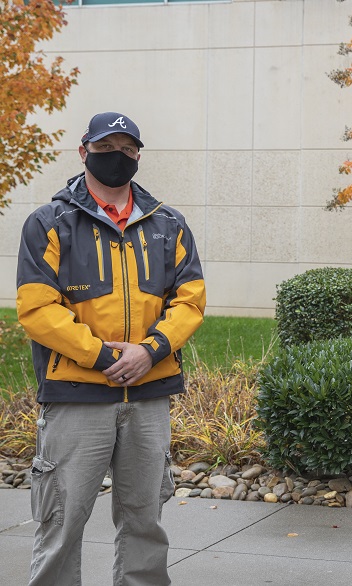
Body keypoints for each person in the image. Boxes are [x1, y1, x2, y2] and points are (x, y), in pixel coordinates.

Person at [16, 111, 206, 585]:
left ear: (138, 156)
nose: (116, 158)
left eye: (126, 149)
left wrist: (150, 350)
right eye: (105, 148)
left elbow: (190, 300)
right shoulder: (49, 223)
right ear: (83, 152)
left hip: (148, 394)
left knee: (145, 523)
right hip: (76, 395)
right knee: (61, 523)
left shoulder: (169, 224)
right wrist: (104, 357)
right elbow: (38, 310)